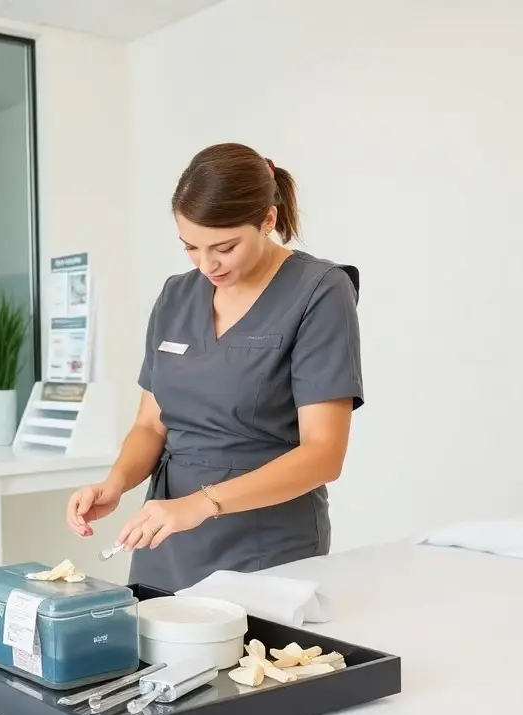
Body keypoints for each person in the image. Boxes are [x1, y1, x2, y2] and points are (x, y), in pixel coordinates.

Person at [65, 142, 363, 593]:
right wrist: (116, 483)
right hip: (165, 538)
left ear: (268, 218)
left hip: (264, 546)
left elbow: (324, 454)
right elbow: (150, 424)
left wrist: (201, 504)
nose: (207, 265)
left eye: (224, 247)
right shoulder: (176, 296)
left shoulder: (319, 292)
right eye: (191, 247)